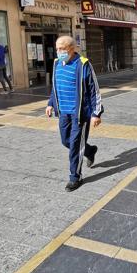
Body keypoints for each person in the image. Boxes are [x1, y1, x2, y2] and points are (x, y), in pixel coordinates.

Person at [45, 36, 104, 192]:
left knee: (75, 147)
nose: (58, 52)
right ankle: (90, 151)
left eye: (61, 49)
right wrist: (51, 103)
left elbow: (94, 90)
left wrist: (96, 113)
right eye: (57, 48)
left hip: (80, 114)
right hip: (63, 112)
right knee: (65, 141)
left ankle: (75, 177)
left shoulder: (83, 65)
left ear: (71, 49)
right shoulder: (57, 63)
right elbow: (56, 86)